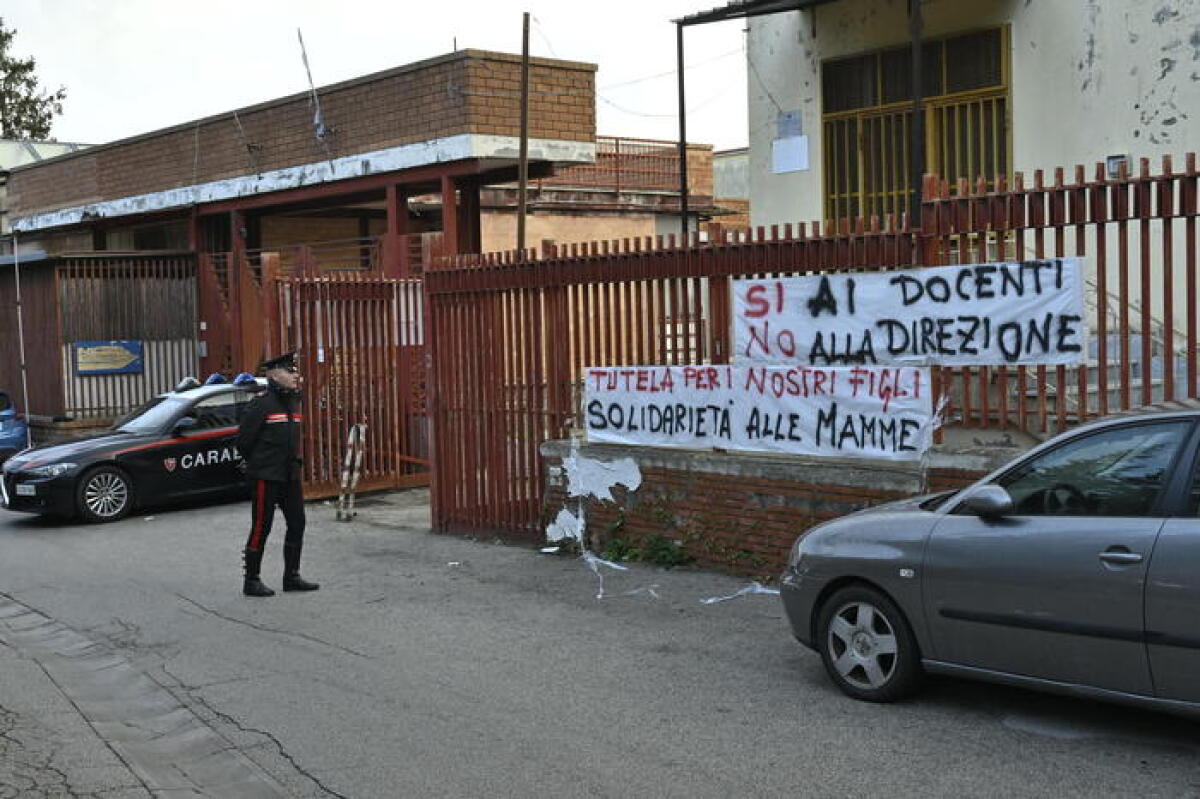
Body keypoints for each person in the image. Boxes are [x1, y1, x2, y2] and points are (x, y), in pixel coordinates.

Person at [237, 351, 319, 597]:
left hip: (289, 474)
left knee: (297, 523)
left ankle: (291, 577)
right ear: (273, 375)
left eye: (295, 371)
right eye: (289, 371)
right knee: (261, 526)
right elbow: (244, 442)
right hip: (266, 475)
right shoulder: (261, 404)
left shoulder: (294, 401)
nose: (295, 375)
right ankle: (252, 580)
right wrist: (260, 464)